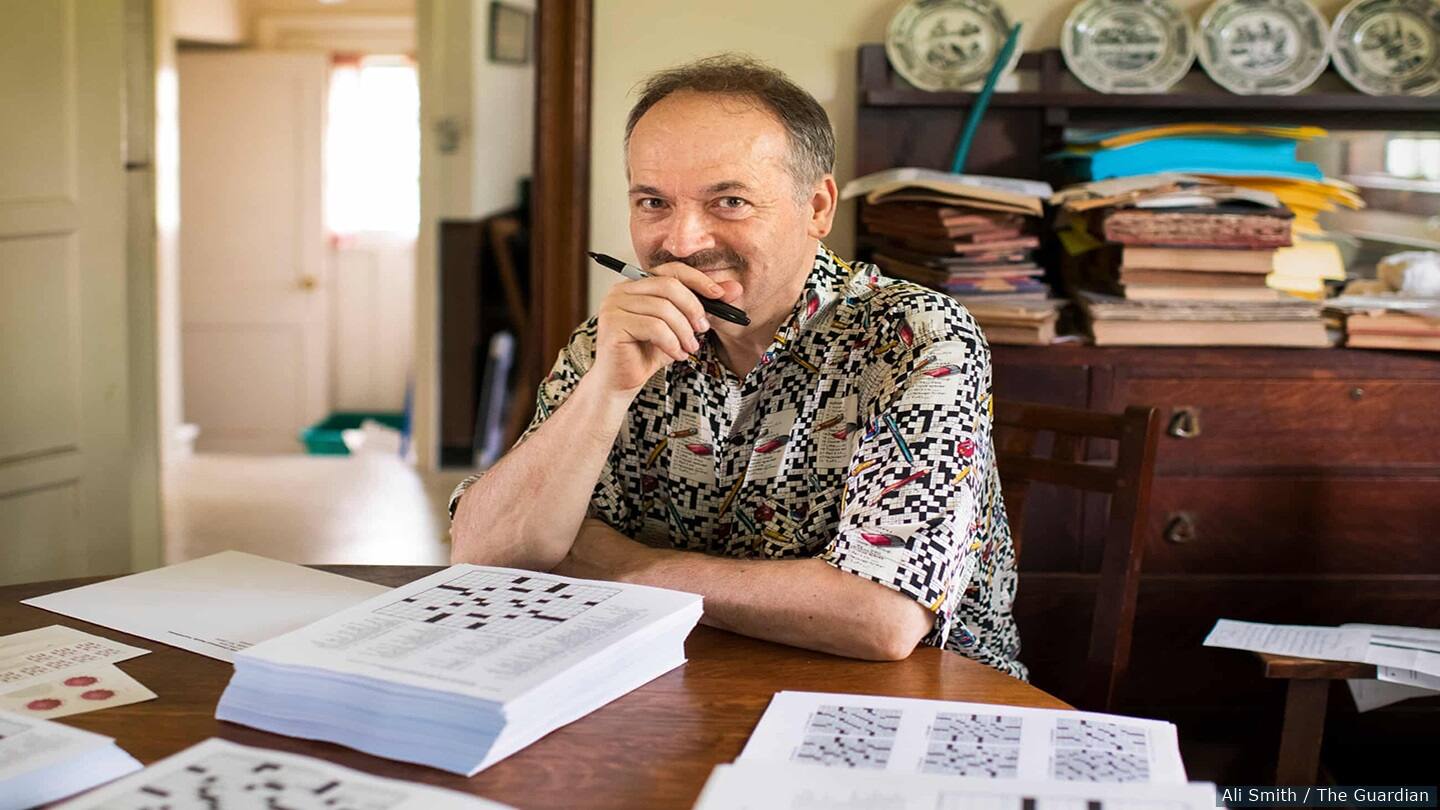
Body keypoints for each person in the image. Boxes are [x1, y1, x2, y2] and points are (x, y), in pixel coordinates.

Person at [449, 54, 1023, 677]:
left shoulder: (916, 337)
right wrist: (606, 391)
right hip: (675, 686)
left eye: (729, 201)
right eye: (652, 201)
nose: (682, 241)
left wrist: (617, 564)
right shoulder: (615, 339)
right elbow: (484, 556)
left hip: (913, 703)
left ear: (817, 208)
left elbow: (880, 616)